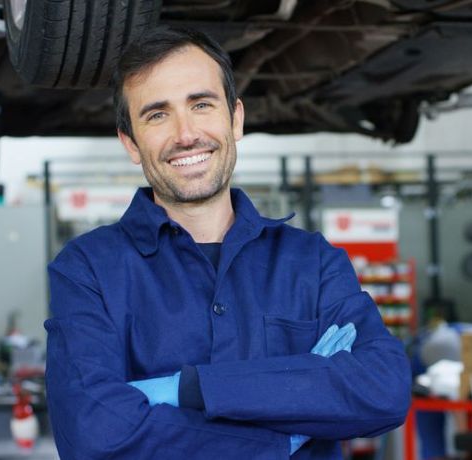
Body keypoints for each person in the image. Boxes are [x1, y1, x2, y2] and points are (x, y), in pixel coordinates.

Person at [44, 26, 411, 459]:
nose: (186, 134)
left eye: (201, 104)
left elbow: (382, 388)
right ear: (131, 143)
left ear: (235, 119)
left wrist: (190, 389)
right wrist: (283, 433)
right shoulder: (88, 269)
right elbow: (94, 432)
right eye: (157, 114)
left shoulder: (311, 262)